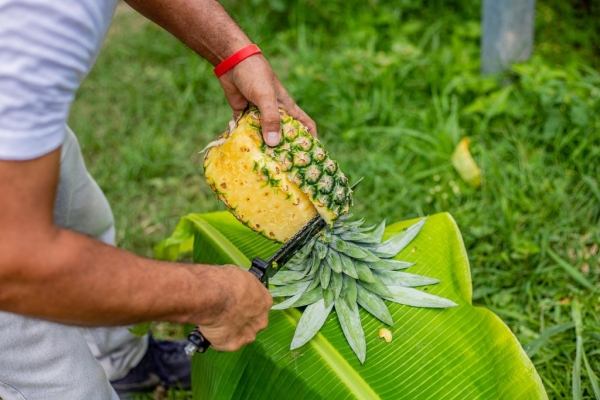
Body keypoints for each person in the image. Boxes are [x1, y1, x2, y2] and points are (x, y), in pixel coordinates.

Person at [0, 0, 317, 398]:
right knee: (51, 375)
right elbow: (15, 262)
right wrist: (213, 297)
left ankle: (123, 362)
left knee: (80, 213)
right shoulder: (39, 24)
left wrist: (233, 53)